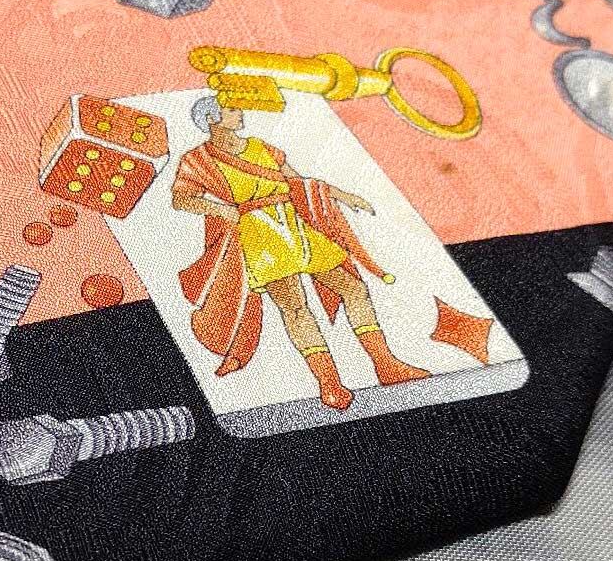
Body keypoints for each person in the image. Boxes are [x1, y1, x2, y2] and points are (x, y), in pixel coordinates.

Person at [171, 95, 429, 410]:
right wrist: (224, 211)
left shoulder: (261, 148)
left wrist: (341, 195)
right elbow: (181, 199)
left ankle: (386, 365)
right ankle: (329, 384)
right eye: (232, 110)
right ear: (212, 119)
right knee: (294, 308)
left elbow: (298, 183)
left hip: (296, 227)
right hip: (259, 235)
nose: (240, 113)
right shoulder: (197, 160)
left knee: (354, 289)